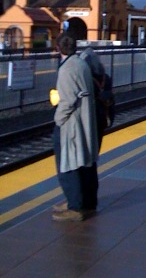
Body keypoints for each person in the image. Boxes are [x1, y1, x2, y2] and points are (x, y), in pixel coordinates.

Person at [51, 32, 99, 221]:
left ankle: (75, 206)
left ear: (57, 48)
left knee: (67, 163)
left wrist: (58, 120)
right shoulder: (81, 63)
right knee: (86, 162)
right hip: (86, 119)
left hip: (72, 123)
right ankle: (88, 202)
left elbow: (68, 101)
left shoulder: (66, 69)